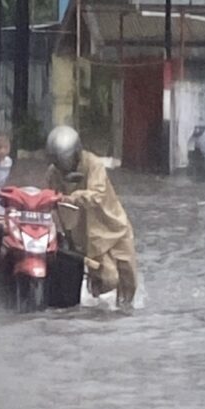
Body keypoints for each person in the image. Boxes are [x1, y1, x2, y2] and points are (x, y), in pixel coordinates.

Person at [44, 126, 138, 308]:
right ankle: (95, 302)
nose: (64, 168)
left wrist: (72, 197)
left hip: (113, 224)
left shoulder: (93, 164)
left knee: (129, 279)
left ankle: (124, 315)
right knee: (109, 279)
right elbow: (48, 199)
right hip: (87, 234)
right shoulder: (52, 173)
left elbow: (97, 195)